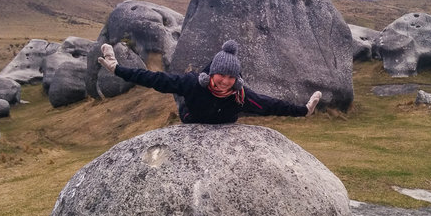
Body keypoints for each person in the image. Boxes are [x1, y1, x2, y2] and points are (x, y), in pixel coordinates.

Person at [98, 40, 321, 125]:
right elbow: (154, 79)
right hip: (191, 121)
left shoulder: (240, 96)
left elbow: (271, 104)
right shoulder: (192, 83)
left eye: (231, 77)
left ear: (237, 78)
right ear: (211, 73)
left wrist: (303, 110)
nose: (225, 81)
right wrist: (118, 69)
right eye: (220, 75)